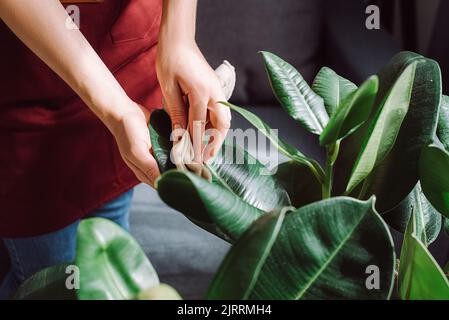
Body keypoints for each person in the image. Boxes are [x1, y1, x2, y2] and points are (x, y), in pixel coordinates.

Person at [0, 0, 231, 299]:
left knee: (111, 243)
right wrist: (118, 112)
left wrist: (180, 35)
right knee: (48, 281)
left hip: (128, 50)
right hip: (30, 73)